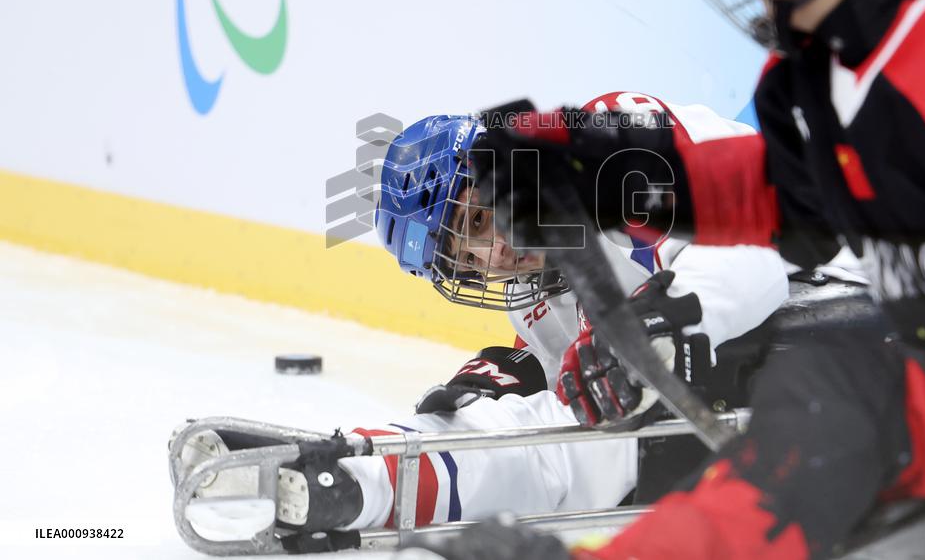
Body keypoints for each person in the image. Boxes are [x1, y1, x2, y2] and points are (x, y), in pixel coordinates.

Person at [406, 0, 925, 558]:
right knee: (803, 449)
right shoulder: (826, 77)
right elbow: (778, 196)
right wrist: (597, 169)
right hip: (924, 391)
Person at [172, 92, 794, 536]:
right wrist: (510, 372)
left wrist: (657, 322)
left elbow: (762, 237)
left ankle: (386, 482)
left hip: (840, 285)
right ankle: (378, 464)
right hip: (762, 362)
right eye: (464, 258)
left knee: (612, 436)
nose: (494, 256)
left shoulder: (610, 144)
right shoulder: (537, 294)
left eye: (474, 219)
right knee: (591, 418)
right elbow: (583, 379)